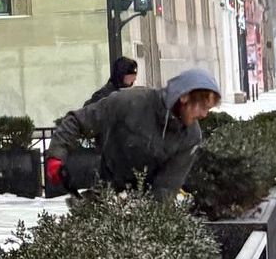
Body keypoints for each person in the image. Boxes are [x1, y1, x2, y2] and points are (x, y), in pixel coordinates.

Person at [43, 67, 224, 201]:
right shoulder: (131, 102)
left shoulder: (190, 136)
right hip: (101, 189)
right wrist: (55, 157)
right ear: (184, 97)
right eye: (202, 106)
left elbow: (166, 189)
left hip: (141, 206)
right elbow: (77, 121)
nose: (204, 115)